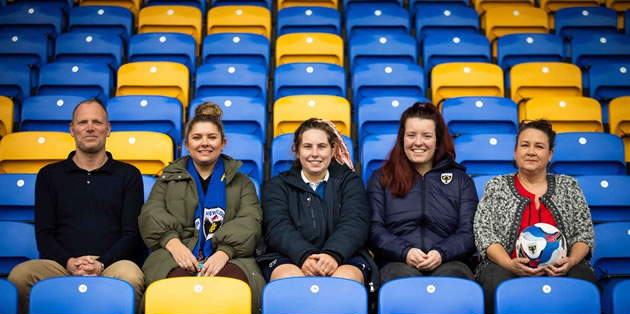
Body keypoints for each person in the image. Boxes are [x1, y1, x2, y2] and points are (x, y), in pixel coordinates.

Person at [8, 98, 145, 314]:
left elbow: (131, 234)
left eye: (97, 122)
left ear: (108, 129)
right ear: (72, 130)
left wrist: (101, 264)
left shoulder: (128, 175)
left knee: (131, 275)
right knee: (20, 275)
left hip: (111, 266)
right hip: (62, 265)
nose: (90, 128)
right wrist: (69, 263)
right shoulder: (49, 176)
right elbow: (44, 234)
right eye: (83, 122)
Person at [474, 119, 597, 311]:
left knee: (583, 278)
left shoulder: (569, 186)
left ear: (550, 154)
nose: (531, 152)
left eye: (539, 146)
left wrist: (571, 261)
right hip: (508, 267)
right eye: (525, 145)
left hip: (561, 269)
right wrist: (509, 264)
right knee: (493, 280)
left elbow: (584, 234)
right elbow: (485, 234)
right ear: (515, 152)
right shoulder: (496, 186)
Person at [138, 102, 263, 291]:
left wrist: (224, 252)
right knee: (170, 289)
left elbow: (251, 220)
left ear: (223, 143)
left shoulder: (242, 182)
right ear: (187, 144)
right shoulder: (167, 179)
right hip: (173, 255)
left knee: (234, 287)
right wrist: (174, 245)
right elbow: (151, 213)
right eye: (197, 137)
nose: (204, 143)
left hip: (232, 257)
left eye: (212, 137)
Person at [258, 118, 378, 290]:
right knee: (288, 279)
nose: (315, 153)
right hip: (290, 257)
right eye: (307, 147)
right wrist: (304, 256)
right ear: (297, 151)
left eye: (321, 146)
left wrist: (333, 254)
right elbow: (277, 227)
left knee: (345, 280)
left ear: (332, 150)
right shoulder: (278, 185)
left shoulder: (349, 182)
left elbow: (355, 222)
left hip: (345, 256)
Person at [367, 102, 478, 283]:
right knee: (401, 279)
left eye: (427, 136)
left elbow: (469, 233)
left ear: (437, 141)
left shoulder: (461, 180)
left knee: (453, 279)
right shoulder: (381, 178)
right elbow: (373, 229)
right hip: (396, 262)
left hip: (449, 262)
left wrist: (441, 253)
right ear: (402, 139)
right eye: (411, 135)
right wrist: (405, 252)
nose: (418, 142)